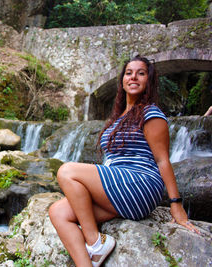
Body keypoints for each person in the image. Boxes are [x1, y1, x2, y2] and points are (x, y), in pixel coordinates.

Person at [48, 55, 200, 267]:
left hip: (140, 183)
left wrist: (176, 204)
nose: (133, 77)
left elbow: (162, 160)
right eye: (129, 73)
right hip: (118, 187)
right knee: (58, 212)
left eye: (141, 73)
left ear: (149, 80)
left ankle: (95, 241)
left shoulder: (151, 113)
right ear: (122, 80)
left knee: (67, 171)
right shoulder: (119, 117)